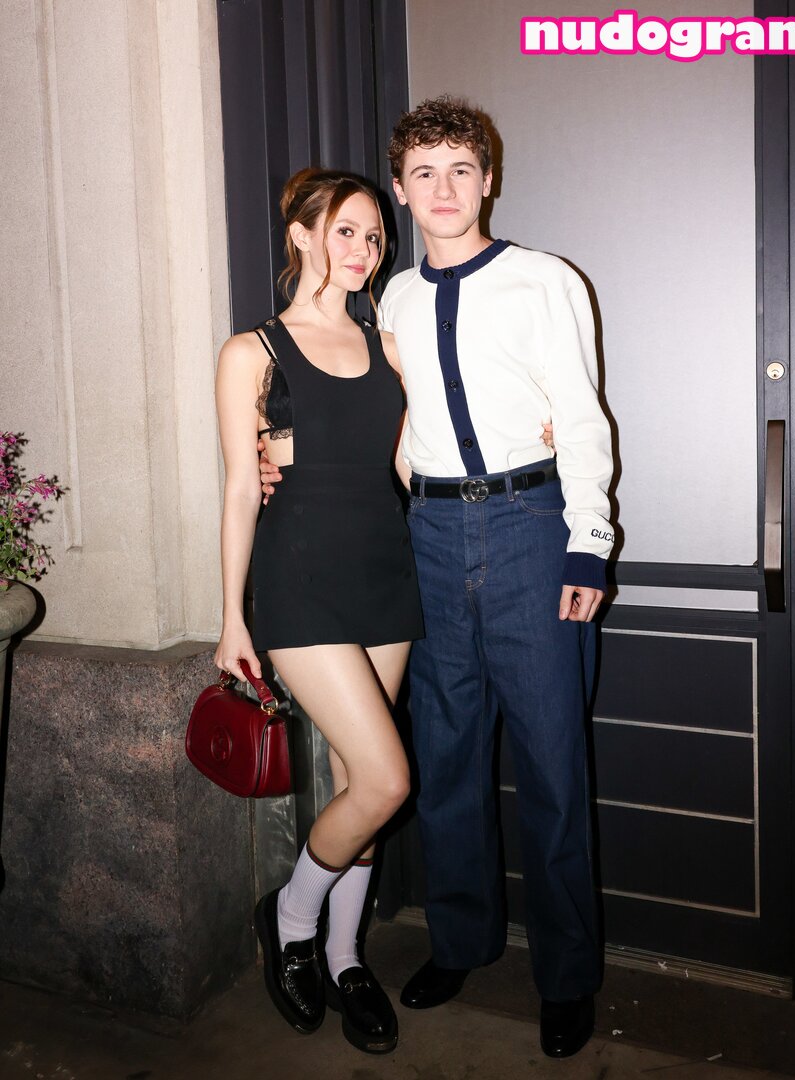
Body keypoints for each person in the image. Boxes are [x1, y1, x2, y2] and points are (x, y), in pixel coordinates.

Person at [262, 97, 614, 1060]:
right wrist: (275, 456)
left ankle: (566, 975)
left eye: (461, 168)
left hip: (531, 526)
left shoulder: (544, 280)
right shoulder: (392, 301)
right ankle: (460, 944)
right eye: (423, 173)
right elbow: (361, 414)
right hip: (425, 532)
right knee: (448, 756)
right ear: (403, 189)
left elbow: (582, 414)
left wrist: (588, 539)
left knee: (551, 761)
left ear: (487, 179)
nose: (444, 189)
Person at [214, 167, 424, 1055]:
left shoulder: (390, 345)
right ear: (302, 234)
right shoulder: (252, 351)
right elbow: (240, 488)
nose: (363, 250)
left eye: (374, 236)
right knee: (387, 781)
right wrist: (232, 615)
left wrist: (529, 435)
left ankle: (343, 957)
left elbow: (415, 460)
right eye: (346, 230)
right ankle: (291, 919)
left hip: (385, 572)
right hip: (299, 577)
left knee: (354, 787)